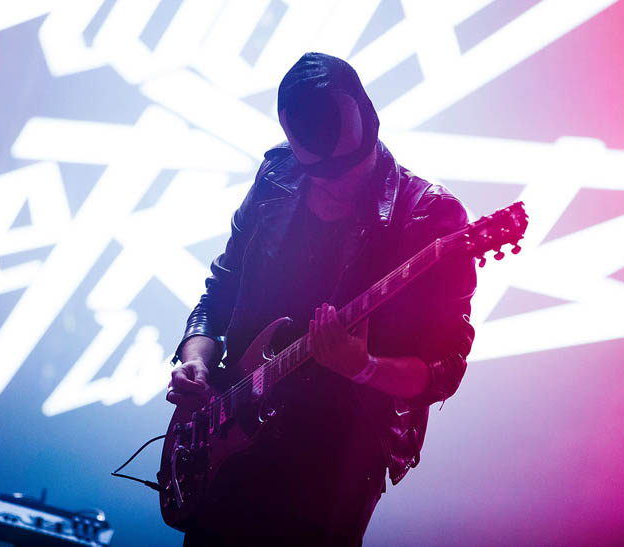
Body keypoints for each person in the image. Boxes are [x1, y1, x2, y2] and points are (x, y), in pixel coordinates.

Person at [166, 52, 476, 546]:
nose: (339, 187)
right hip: (232, 437)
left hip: (336, 459)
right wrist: (197, 360)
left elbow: (444, 368)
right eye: (324, 177)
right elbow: (219, 291)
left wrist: (365, 367)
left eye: (354, 168)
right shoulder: (276, 177)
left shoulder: (429, 217)